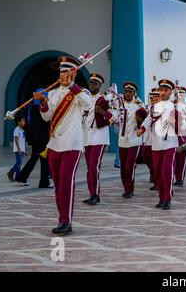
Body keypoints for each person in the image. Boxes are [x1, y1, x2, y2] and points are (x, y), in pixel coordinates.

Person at [35, 56, 92, 236]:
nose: (62, 75)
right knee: (58, 184)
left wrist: (72, 87)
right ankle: (62, 217)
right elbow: (46, 117)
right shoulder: (52, 93)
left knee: (67, 182)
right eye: (60, 72)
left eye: (66, 72)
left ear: (73, 73)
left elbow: (88, 104)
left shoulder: (80, 92)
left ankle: (66, 221)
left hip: (72, 144)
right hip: (54, 144)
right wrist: (43, 103)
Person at [137, 79, 182, 210]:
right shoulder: (153, 107)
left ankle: (167, 198)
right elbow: (148, 120)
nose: (162, 92)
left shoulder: (175, 107)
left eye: (165, 90)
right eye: (161, 90)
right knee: (157, 173)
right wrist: (141, 129)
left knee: (166, 172)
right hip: (156, 143)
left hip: (169, 143)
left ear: (170, 92)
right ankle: (161, 198)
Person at [82, 73, 113, 205]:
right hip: (87, 137)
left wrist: (104, 113)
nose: (92, 85)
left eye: (95, 83)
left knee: (94, 166)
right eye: (91, 83)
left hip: (99, 137)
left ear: (100, 85)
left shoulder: (105, 99)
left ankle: (95, 194)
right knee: (89, 167)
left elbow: (114, 117)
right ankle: (92, 194)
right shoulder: (85, 98)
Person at [14, 89, 51, 188]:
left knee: (34, 158)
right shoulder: (41, 108)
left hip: (35, 138)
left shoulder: (31, 108)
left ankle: (22, 176)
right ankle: (44, 182)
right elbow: (47, 122)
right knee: (44, 160)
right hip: (42, 138)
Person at [118, 81, 146, 198]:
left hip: (134, 139)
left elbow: (145, 119)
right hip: (122, 139)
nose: (128, 94)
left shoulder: (139, 105)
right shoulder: (119, 104)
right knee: (123, 166)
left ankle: (130, 188)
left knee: (130, 165)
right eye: (126, 92)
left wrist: (140, 121)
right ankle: (125, 187)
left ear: (134, 93)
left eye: (130, 92)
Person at [141, 88, 160, 191]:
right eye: (153, 97)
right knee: (145, 157)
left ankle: (158, 181)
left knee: (155, 162)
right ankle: (155, 178)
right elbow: (147, 120)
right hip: (148, 138)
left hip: (158, 140)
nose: (154, 98)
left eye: (156, 96)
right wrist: (142, 129)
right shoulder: (151, 108)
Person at [173, 86, 186, 187]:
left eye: (182, 94)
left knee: (182, 159)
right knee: (175, 158)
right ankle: (175, 177)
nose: (181, 96)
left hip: (184, 134)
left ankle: (180, 178)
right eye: (179, 94)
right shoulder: (172, 105)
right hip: (173, 135)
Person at [7, 114, 29, 184]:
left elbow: (22, 141)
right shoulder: (16, 130)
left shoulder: (22, 130)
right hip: (18, 149)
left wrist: (24, 150)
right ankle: (11, 171)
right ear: (18, 122)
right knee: (19, 162)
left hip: (21, 149)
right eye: (23, 121)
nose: (24, 122)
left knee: (19, 164)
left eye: (24, 121)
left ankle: (17, 176)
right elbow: (16, 140)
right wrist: (19, 149)